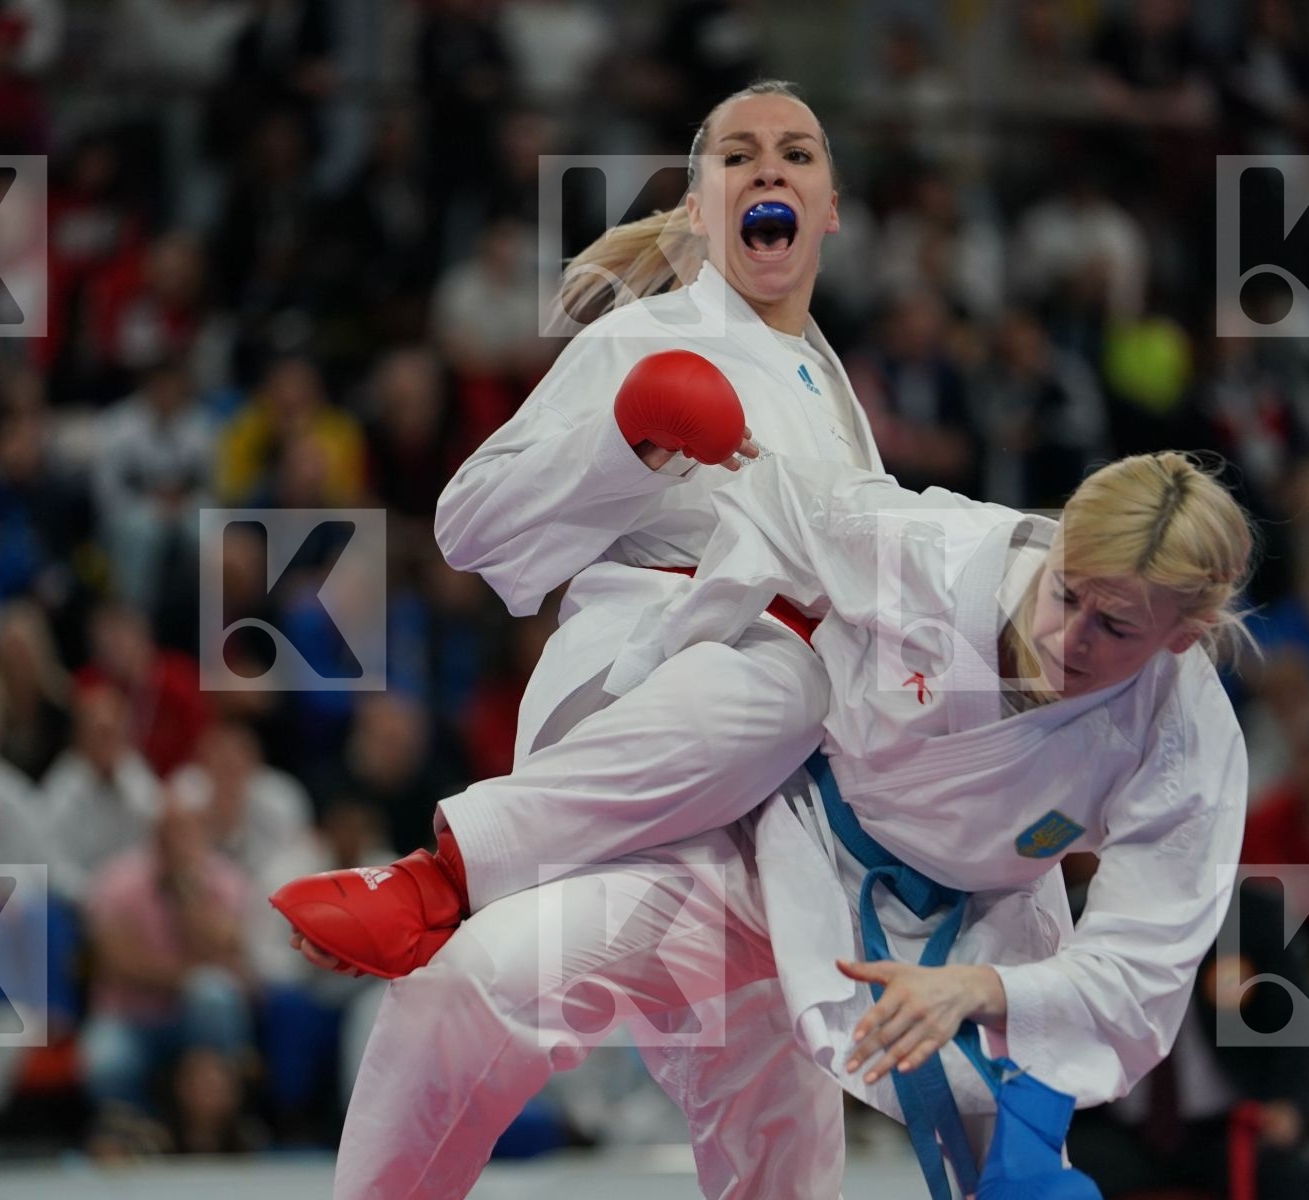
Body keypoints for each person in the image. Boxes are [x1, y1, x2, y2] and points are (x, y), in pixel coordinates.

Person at [281, 450, 1254, 1199]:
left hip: (970, 941)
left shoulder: (1181, 740)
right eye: (1065, 593)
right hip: (765, 853)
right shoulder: (934, 552)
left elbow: (1140, 970)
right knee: (477, 979)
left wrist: (982, 988)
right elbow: (774, 503)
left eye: (1115, 627)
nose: (1066, 637)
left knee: (1009, 1181)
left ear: (1186, 633)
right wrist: (685, 669)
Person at [277, 79, 883, 976]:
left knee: (769, 1097)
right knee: (793, 682)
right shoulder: (648, 338)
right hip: (645, 685)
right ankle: (440, 876)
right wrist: (628, 438)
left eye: (798, 154)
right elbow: (466, 526)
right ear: (695, 207)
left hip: (772, 784)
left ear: (829, 210)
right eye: (738, 153)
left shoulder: (836, 394)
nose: (770, 167)